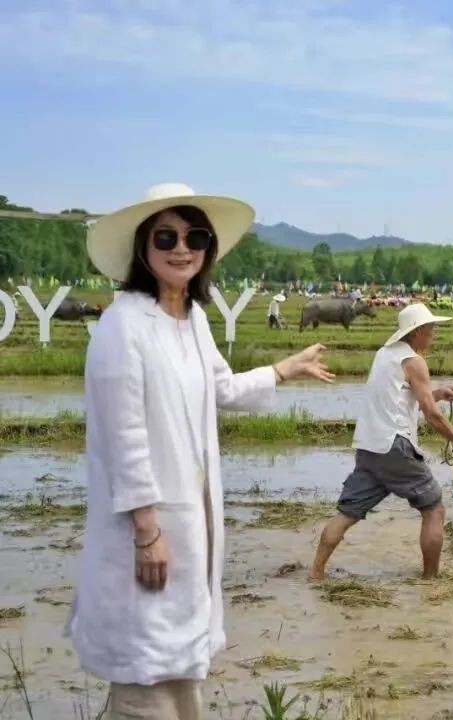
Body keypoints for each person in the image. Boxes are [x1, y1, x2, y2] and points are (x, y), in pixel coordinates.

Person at [66, 182, 334, 720]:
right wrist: (147, 533)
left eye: (196, 236)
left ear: (209, 248)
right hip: (149, 530)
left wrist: (283, 369)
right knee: (144, 680)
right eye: (166, 236)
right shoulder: (124, 324)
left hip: (191, 529)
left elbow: (222, 387)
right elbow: (124, 436)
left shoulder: (193, 319)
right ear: (143, 247)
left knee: (182, 677)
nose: (181, 247)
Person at [309, 302, 453, 582]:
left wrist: (438, 392)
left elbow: (400, 398)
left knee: (347, 512)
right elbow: (432, 416)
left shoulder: (384, 354)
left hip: (369, 448)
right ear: (417, 332)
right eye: (431, 329)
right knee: (434, 509)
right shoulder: (414, 361)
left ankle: (315, 573)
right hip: (395, 447)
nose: (433, 335)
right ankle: (430, 581)